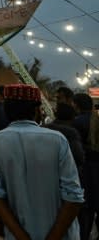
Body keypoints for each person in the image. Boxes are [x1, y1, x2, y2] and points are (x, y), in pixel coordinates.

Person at [0, 84, 83, 240]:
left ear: (6, 110)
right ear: (37, 110)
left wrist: (21, 236)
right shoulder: (56, 140)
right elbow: (73, 196)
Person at [73, 93, 99, 240]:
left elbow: (78, 151)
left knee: (87, 208)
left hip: (88, 169)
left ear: (77, 105)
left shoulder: (77, 122)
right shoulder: (95, 118)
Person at [45, 102, 85, 171]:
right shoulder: (71, 132)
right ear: (72, 115)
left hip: (48, 168)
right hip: (68, 170)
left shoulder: (45, 129)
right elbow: (78, 157)